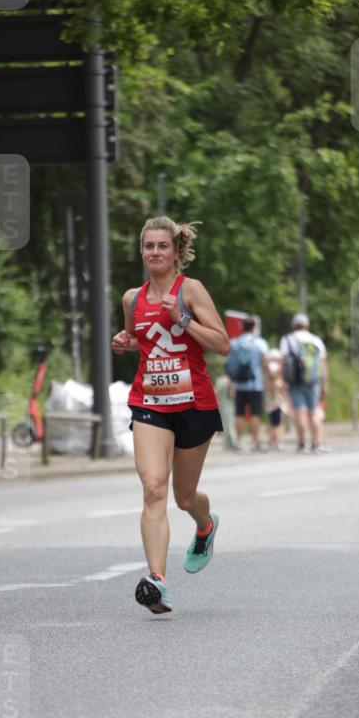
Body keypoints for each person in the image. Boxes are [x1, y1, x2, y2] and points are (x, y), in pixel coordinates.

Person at [111, 216, 230, 614]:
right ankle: (157, 581)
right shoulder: (132, 298)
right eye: (149, 246)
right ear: (141, 251)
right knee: (154, 488)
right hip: (150, 403)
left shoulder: (190, 290)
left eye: (163, 246)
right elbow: (136, 337)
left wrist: (183, 320)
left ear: (177, 252)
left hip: (194, 404)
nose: (155, 253)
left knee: (183, 496)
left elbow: (222, 344)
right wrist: (124, 342)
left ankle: (205, 525)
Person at [280, 313, 328, 453]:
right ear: (307, 325)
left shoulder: (288, 339)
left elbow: (283, 361)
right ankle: (317, 443)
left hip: (295, 381)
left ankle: (302, 444)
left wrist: (283, 380)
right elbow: (323, 363)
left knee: (300, 411)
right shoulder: (316, 340)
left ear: (293, 325)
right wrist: (325, 384)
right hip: (314, 380)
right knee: (314, 411)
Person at [226, 317, 268, 451]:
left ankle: (238, 442)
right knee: (255, 413)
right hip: (255, 384)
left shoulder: (234, 343)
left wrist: (231, 381)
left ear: (242, 327)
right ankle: (256, 442)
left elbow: (230, 364)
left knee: (239, 413)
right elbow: (266, 363)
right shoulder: (260, 343)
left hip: (238, 384)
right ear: (254, 327)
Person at [263, 348, 288, 451]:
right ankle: (275, 441)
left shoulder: (268, 367)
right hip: (275, 400)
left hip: (271, 398)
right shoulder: (275, 368)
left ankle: (272, 440)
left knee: (273, 421)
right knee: (277, 421)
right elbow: (275, 383)